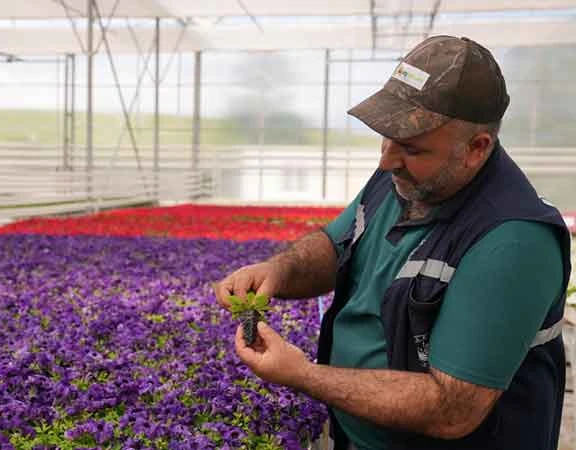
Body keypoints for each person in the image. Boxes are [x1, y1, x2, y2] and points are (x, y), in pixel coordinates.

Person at [214, 35, 572, 450]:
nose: (386, 160)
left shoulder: (511, 241)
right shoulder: (406, 176)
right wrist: (279, 271)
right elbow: (335, 244)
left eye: (410, 146)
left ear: (476, 148)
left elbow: (452, 408)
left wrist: (303, 375)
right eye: (387, 137)